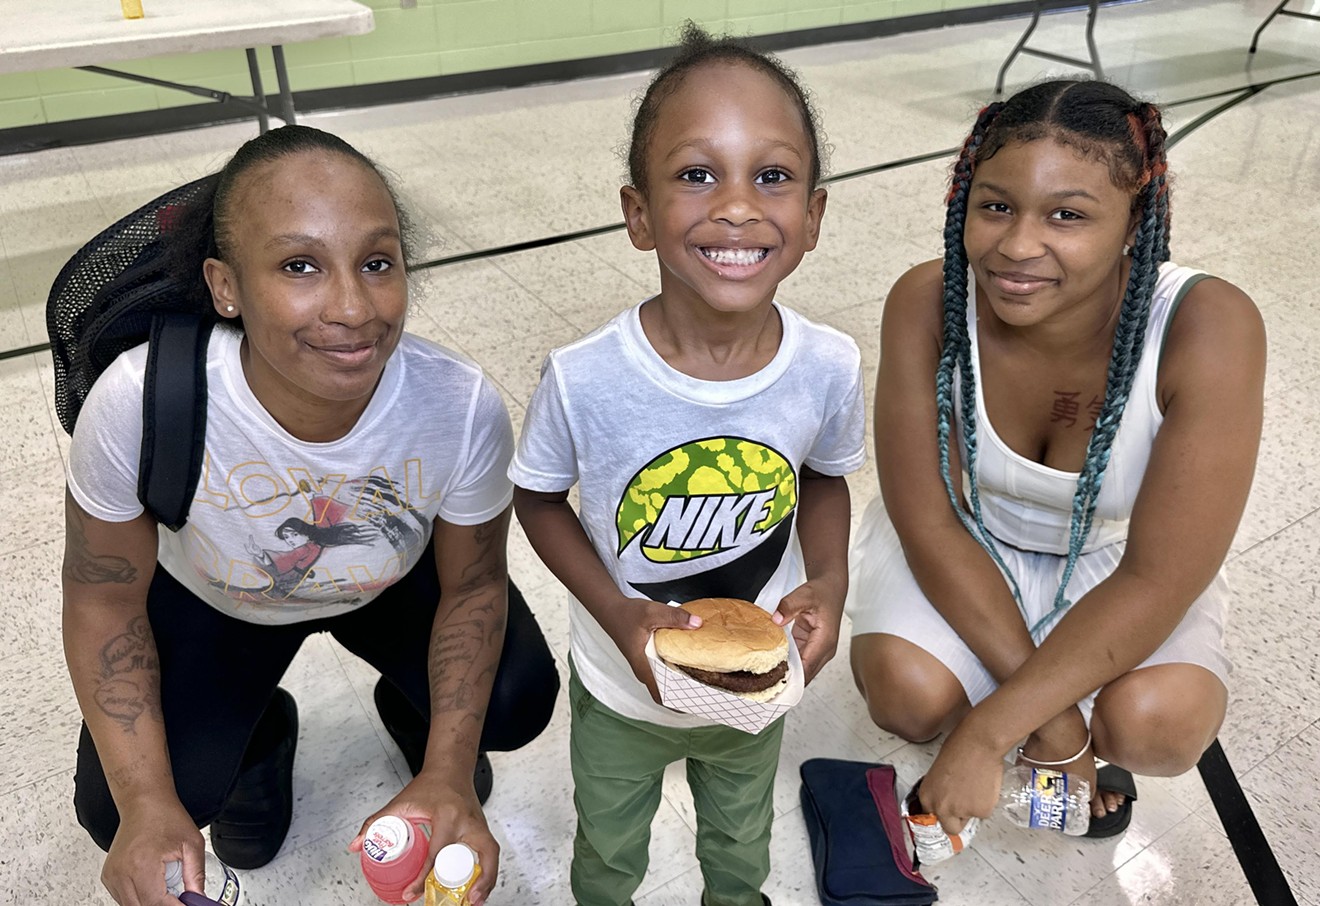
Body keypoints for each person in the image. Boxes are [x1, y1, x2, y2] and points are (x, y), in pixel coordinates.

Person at [61, 125, 559, 906]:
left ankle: (410, 704)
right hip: (219, 598)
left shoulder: (455, 404)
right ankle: (260, 736)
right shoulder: (143, 398)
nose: (353, 307)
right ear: (225, 285)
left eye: (376, 263)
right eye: (300, 266)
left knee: (515, 697)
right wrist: (149, 804)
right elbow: (102, 599)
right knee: (117, 805)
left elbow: (473, 588)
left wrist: (446, 770)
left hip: (387, 580)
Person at [847, 79, 1265, 840]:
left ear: (1134, 222)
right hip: (973, 541)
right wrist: (1055, 725)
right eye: (995, 205)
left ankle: (1040, 724)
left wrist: (987, 734)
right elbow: (931, 525)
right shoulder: (929, 301)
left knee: (1158, 727)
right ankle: (1047, 721)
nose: (1015, 246)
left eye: (1067, 215)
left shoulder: (1207, 325)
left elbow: (1159, 575)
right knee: (907, 699)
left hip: (1119, 560)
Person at [510, 24, 866, 906]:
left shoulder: (828, 366)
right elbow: (538, 500)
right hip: (618, 686)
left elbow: (823, 477)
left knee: (743, 847)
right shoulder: (585, 376)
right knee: (608, 847)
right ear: (639, 215)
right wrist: (621, 615)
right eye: (697, 174)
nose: (737, 206)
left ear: (814, 216)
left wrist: (829, 579)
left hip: (755, 684)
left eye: (772, 176)